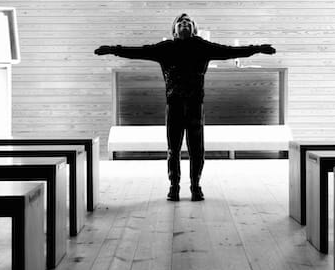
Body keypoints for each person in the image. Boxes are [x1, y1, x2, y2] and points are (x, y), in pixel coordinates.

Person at [95, 13, 276, 201]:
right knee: (173, 148)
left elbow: (230, 51)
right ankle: (174, 186)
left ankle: (195, 186)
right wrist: (112, 50)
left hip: (195, 106)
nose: (184, 24)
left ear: (194, 29)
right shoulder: (165, 48)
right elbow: (138, 51)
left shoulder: (202, 47)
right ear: (174, 30)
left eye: (188, 23)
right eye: (180, 23)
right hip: (173, 106)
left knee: (196, 149)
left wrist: (257, 49)